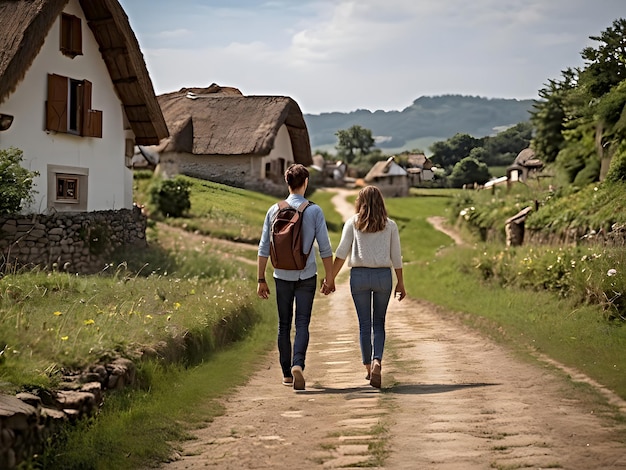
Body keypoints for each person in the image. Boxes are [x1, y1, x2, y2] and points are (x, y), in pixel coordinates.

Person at [257, 164, 335, 390]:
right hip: (306, 275)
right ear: (306, 182)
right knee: (302, 323)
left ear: (286, 182)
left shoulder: (274, 210)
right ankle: (297, 364)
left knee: (283, 325)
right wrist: (329, 278)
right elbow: (325, 248)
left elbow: (264, 248)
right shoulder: (314, 210)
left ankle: (286, 375)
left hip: (281, 275)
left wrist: (261, 279)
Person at [323, 186, 405, 388]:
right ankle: (377, 360)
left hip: (359, 276)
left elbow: (341, 252)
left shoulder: (353, 223)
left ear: (360, 202)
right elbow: (396, 256)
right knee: (379, 322)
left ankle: (369, 369)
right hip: (383, 277)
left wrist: (330, 278)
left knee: (364, 324)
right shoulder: (390, 225)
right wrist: (401, 282)